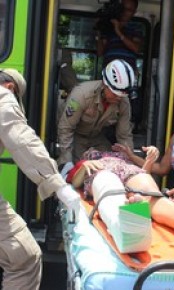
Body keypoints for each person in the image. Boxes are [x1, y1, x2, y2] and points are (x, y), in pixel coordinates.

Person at [0, 68, 81, 290]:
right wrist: (57, 184)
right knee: (25, 258)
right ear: (11, 88)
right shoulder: (3, 96)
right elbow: (22, 140)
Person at [66, 147, 174, 252]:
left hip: (129, 170)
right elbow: (74, 182)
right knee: (109, 189)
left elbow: (143, 173)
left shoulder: (124, 159)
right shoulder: (86, 162)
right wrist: (84, 166)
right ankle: (124, 227)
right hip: (100, 171)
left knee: (150, 193)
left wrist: (148, 161)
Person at [57, 59, 135, 166]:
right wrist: (66, 162)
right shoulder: (81, 95)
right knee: (80, 169)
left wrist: (129, 162)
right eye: (115, 94)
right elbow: (66, 129)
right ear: (104, 84)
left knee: (111, 166)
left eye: (122, 96)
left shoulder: (123, 103)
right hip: (76, 137)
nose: (118, 98)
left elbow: (124, 136)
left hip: (97, 138)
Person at [95, 0, 141, 72]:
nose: (124, 12)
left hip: (127, 73)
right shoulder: (109, 25)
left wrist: (118, 32)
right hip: (109, 72)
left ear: (134, 12)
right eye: (123, 8)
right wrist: (98, 30)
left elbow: (136, 48)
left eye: (128, 10)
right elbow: (100, 52)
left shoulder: (136, 27)